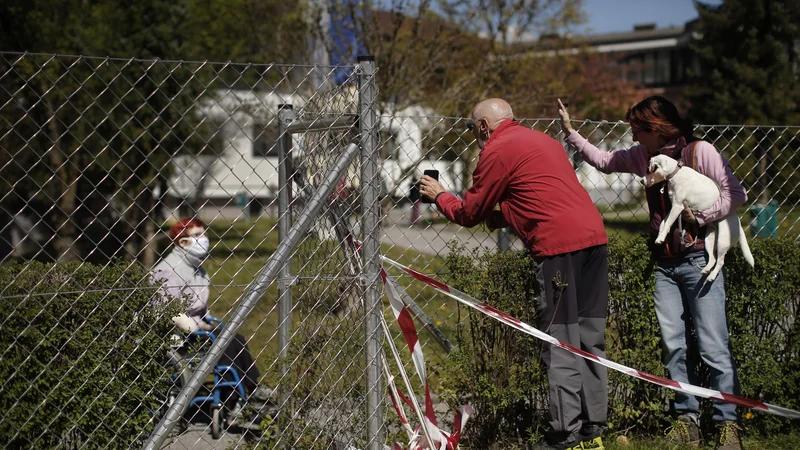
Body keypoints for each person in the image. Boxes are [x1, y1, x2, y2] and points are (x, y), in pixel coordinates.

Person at [420, 99, 610, 450]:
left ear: (482, 127)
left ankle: (564, 435)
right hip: (594, 240)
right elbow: (541, 196)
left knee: (561, 343)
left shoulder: (496, 150)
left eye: (472, 129)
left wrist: (439, 196)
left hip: (558, 249)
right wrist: (506, 213)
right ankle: (592, 429)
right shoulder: (543, 141)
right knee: (589, 338)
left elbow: (469, 212)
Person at [558, 96, 746, 450]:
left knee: (713, 345)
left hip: (698, 260)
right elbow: (604, 161)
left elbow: (735, 193)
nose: (633, 137)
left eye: (637, 130)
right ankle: (686, 421)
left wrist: (702, 218)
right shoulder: (642, 156)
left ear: (655, 128)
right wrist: (572, 134)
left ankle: (728, 425)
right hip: (665, 264)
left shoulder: (699, 152)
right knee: (673, 345)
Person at [152, 217, 273, 425]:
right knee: (223, 341)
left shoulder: (196, 268)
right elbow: (168, 311)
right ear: (182, 242)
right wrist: (199, 326)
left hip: (198, 330)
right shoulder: (169, 269)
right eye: (197, 235)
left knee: (236, 338)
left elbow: (199, 304)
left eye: (203, 234)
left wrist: (206, 321)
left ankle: (251, 391)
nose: (204, 239)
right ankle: (237, 398)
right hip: (178, 334)